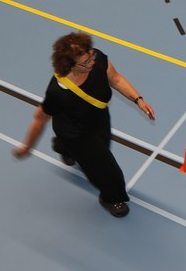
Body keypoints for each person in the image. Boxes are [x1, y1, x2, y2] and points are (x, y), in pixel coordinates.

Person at [13, 32, 155, 218]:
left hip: (98, 119)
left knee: (101, 147)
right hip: (75, 133)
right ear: (70, 66)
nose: (92, 62)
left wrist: (138, 99)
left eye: (91, 56)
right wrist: (27, 146)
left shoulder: (97, 59)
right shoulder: (58, 91)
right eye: (86, 62)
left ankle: (62, 148)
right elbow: (39, 118)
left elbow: (116, 78)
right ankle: (112, 198)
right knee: (107, 169)